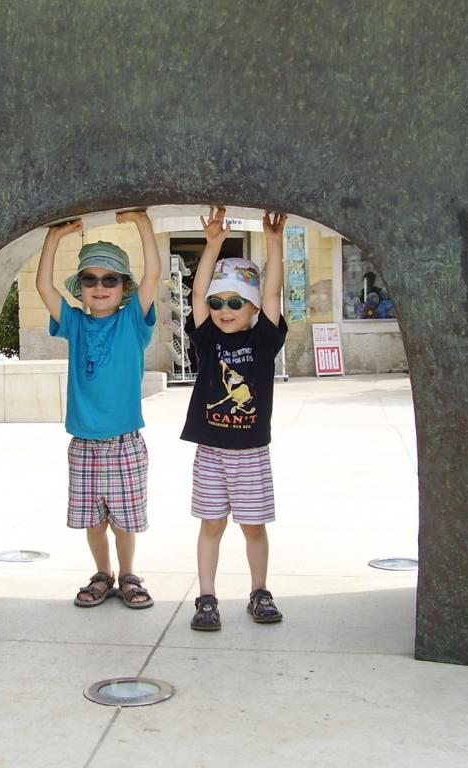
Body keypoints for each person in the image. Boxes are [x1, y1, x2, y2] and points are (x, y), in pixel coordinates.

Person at [35, 210, 161, 609]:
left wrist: (142, 223)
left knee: (124, 521)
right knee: (93, 521)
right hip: (84, 444)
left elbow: (154, 274)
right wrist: (55, 237)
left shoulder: (133, 322)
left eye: (110, 279)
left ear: (124, 287)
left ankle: (128, 575)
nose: (100, 287)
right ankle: (102, 574)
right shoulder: (73, 323)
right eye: (89, 279)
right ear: (81, 288)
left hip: (124, 443)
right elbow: (43, 286)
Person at [180, 206, 289, 631]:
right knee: (211, 525)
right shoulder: (208, 339)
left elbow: (274, 295)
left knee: (254, 528)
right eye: (218, 302)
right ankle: (207, 598)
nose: (224, 310)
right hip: (211, 453)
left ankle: (259, 591)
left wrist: (274, 244)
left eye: (235, 302)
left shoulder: (264, 341)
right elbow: (195, 296)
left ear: (253, 307)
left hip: (251, 455)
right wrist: (212, 246)